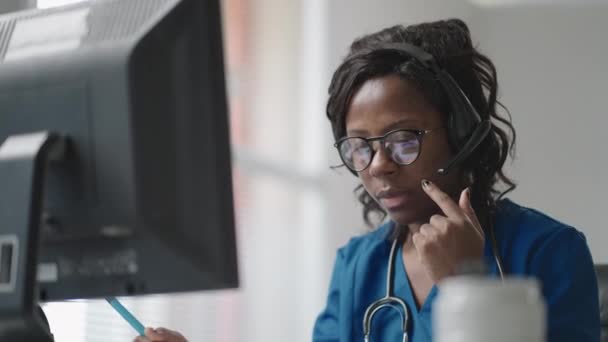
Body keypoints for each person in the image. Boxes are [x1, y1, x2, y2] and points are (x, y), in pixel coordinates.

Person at [312, 19, 600, 341]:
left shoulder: (549, 251)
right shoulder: (355, 266)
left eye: (405, 140)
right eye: (359, 146)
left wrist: (466, 289)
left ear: (462, 135)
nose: (378, 166)